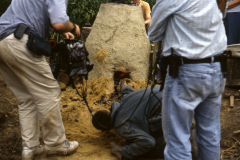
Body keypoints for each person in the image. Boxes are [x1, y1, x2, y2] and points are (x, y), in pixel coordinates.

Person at [0, 0, 81, 160]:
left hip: (3, 40)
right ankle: (56, 143)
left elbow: (34, 15)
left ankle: (30, 148)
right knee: (50, 92)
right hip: (18, 41)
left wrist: (62, 30)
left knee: (26, 99)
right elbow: (59, 22)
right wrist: (73, 28)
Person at [148, 0, 227, 159]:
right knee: (210, 134)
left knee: (177, 139)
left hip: (186, 72)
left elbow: (153, 34)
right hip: (216, 69)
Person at [92, 84, 165, 160]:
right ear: (107, 110)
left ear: (106, 128)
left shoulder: (121, 125)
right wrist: (123, 85)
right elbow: (126, 89)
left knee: (156, 146)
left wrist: (123, 151)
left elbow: (148, 142)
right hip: (168, 91)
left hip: (169, 108)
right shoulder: (124, 99)